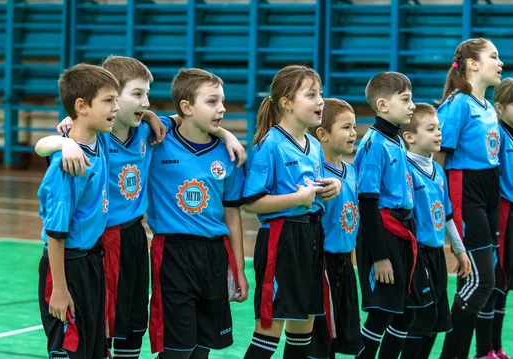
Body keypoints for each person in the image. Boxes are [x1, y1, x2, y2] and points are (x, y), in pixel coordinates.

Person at [34, 57, 246, 359]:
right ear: (113, 99)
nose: (146, 103)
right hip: (99, 243)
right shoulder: (97, 137)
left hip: (134, 236)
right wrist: (63, 142)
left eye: (147, 95)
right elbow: (45, 144)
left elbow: (189, 117)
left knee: (132, 324)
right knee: (98, 328)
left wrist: (225, 134)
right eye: (137, 94)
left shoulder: (149, 131)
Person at [146, 68, 248, 359]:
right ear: (187, 107)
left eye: (223, 101)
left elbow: (232, 214)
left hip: (215, 254)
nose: (222, 108)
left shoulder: (229, 154)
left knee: (204, 346)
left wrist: (238, 269)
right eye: (212, 101)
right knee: (178, 348)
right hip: (173, 253)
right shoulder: (157, 141)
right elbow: (132, 119)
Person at [242, 65, 342, 359]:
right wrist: (297, 198)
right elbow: (251, 202)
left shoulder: (313, 146)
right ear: (286, 103)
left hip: (312, 236)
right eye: (311, 95)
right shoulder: (269, 145)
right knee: (268, 335)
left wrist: (332, 185)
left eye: (321, 94)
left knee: (303, 332)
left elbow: (314, 188)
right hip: (281, 238)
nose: (321, 101)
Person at [37, 63, 119, 359]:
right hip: (66, 268)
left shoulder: (102, 140)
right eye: (109, 101)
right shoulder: (67, 165)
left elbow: (141, 116)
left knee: (94, 349)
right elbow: (55, 233)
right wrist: (59, 288)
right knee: (70, 350)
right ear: (82, 106)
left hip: (91, 263)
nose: (116, 107)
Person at [433, 38, 504, 359]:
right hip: (465, 189)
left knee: (474, 280)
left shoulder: (488, 106)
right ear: (473, 64)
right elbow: (437, 160)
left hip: (490, 189)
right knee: (482, 281)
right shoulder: (457, 104)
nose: (499, 63)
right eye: (493, 56)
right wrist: (438, 207)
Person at [354, 72, 427, 359]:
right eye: (406, 99)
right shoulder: (374, 145)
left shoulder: (396, 140)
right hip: (384, 233)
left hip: (402, 230)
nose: (412, 105)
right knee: (381, 315)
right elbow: (368, 204)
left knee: (404, 313)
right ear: (383, 105)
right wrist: (380, 255)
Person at [398, 103, 472, 359]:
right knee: (421, 317)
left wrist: (460, 250)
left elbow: (448, 215)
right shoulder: (404, 168)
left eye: (439, 128)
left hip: (436, 253)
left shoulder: (438, 170)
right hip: (416, 255)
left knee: (436, 322)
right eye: (431, 129)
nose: (438, 133)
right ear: (410, 137)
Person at [475, 77, 513, 359]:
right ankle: (483, 350)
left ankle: (496, 347)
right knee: (494, 280)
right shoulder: (495, 133)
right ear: (498, 107)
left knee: (506, 281)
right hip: (502, 209)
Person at [307, 98, 364, 359]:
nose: (353, 133)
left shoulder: (351, 171)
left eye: (354, 127)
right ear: (323, 134)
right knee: (316, 339)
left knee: (339, 336)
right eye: (345, 127)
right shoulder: (315, 173)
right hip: (321, 265)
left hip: (343, 264)